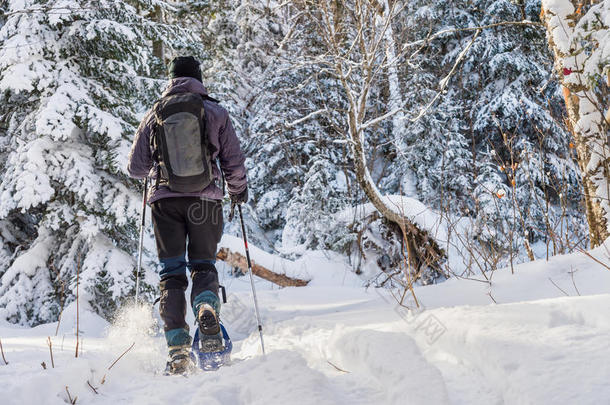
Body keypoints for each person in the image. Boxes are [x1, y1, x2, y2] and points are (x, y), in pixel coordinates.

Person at [127, 56, 248, 374]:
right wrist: (238, 190)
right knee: (203, 266)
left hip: (165, 205)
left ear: (171, 80)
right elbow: (233, 162)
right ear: (199, 78)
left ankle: (178, 351)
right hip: (205, 202)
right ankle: (206, 305)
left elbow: (136, 168)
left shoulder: (155, 113)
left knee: (172, 275)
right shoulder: (216, 111)